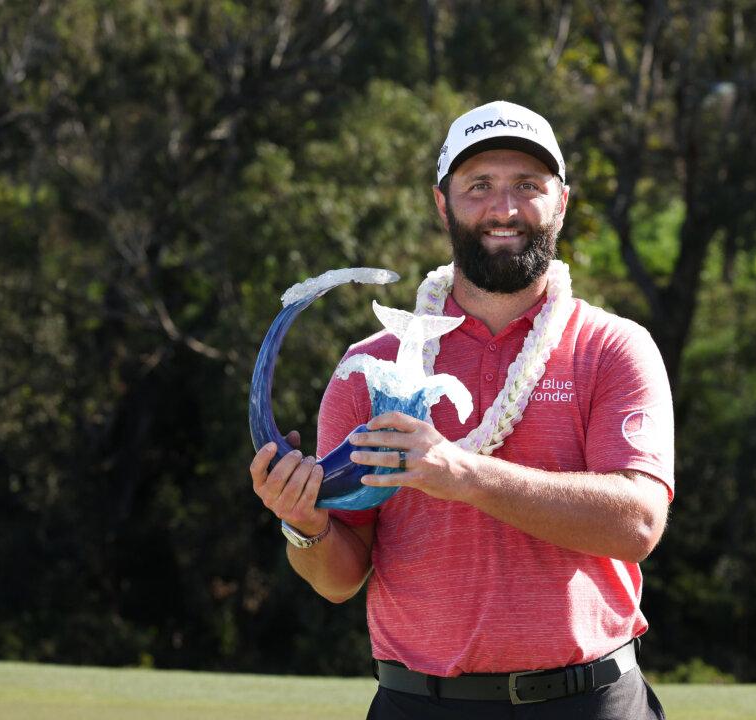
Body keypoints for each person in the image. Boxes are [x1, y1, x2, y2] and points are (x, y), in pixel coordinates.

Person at [249, 101, 674, 719]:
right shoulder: (373, 364)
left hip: (588, 701)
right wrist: (303, 524)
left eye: (527, 186)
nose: (503, 209)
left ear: (561, 201)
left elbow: (636, 525)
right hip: (419, 702)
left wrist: (460, 475)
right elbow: (340, 577)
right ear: (442, 202)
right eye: (479, 187)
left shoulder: (611, 348)